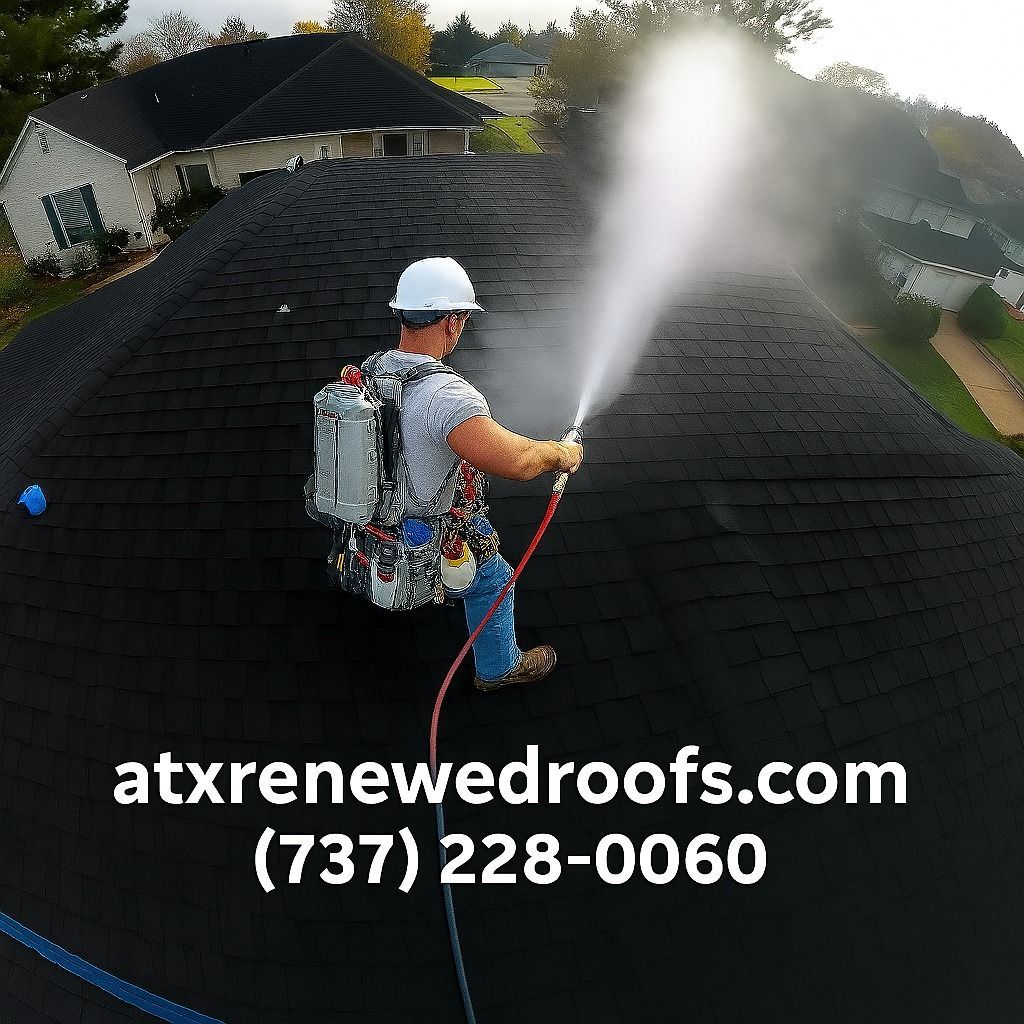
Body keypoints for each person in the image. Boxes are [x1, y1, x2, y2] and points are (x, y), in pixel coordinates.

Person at [366, 256, 583, 691]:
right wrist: (561, 454)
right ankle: (497, 668)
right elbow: (516, 461)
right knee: (495, 579)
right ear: (452, 322)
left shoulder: (376, 370)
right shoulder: (445, 395)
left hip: (377, 516)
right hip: (428, 524)